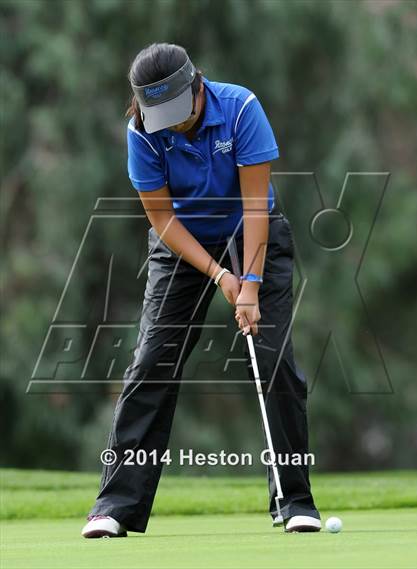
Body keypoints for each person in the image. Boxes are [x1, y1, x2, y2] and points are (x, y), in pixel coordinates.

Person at [81, 42, 320, 538]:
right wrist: (218, 274)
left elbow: (256, 208)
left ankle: (294, 500)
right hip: (183, 241)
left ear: (198, 86)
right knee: (151, 362)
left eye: (176, 111)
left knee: (273, 360)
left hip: (253, 232)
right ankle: (115, 506)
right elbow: (162, 219)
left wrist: (249, 283)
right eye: (157, 115)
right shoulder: (142, 133)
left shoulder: (241, 110)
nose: (169, 124)